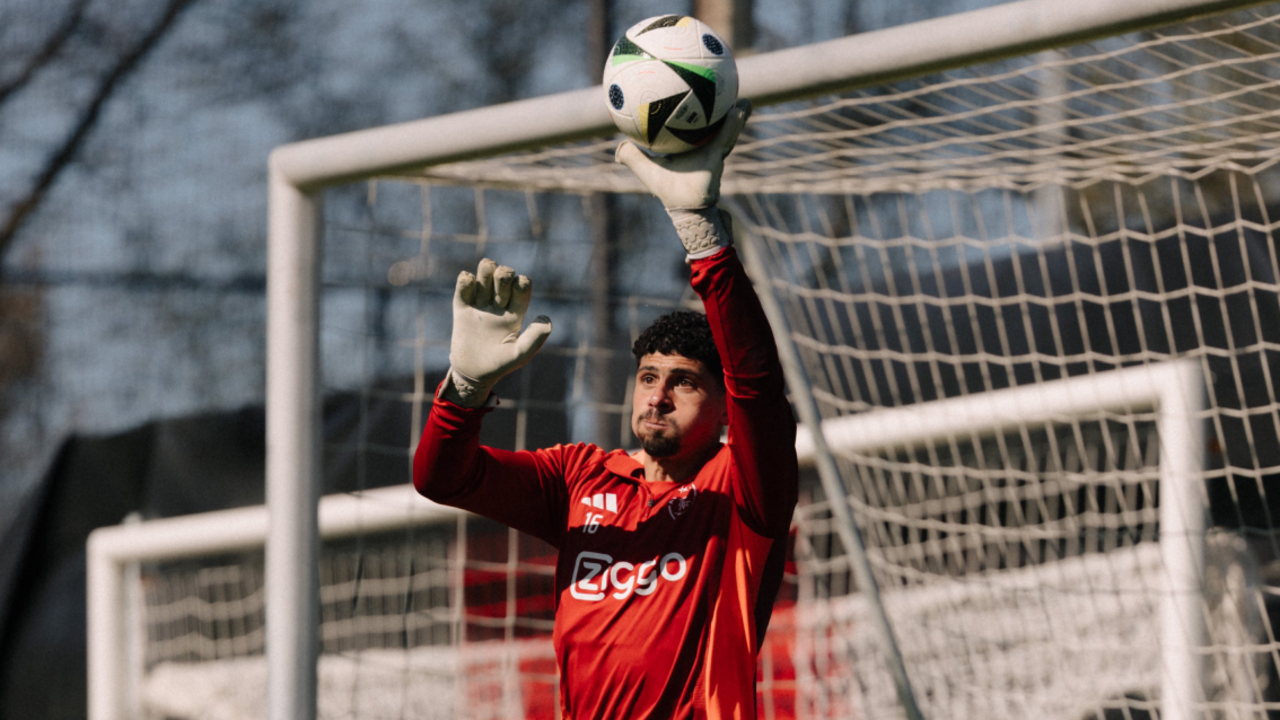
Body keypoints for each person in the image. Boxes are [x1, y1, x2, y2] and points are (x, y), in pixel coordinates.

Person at [413, 100, 798, 720]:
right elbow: (441, 478)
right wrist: (464, 388)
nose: (658, 394)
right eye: (647, 376)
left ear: (726, 411)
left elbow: (757, 384)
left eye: (684, 383)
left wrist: (702, 233)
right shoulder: (578, 478)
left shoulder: (743, 490)